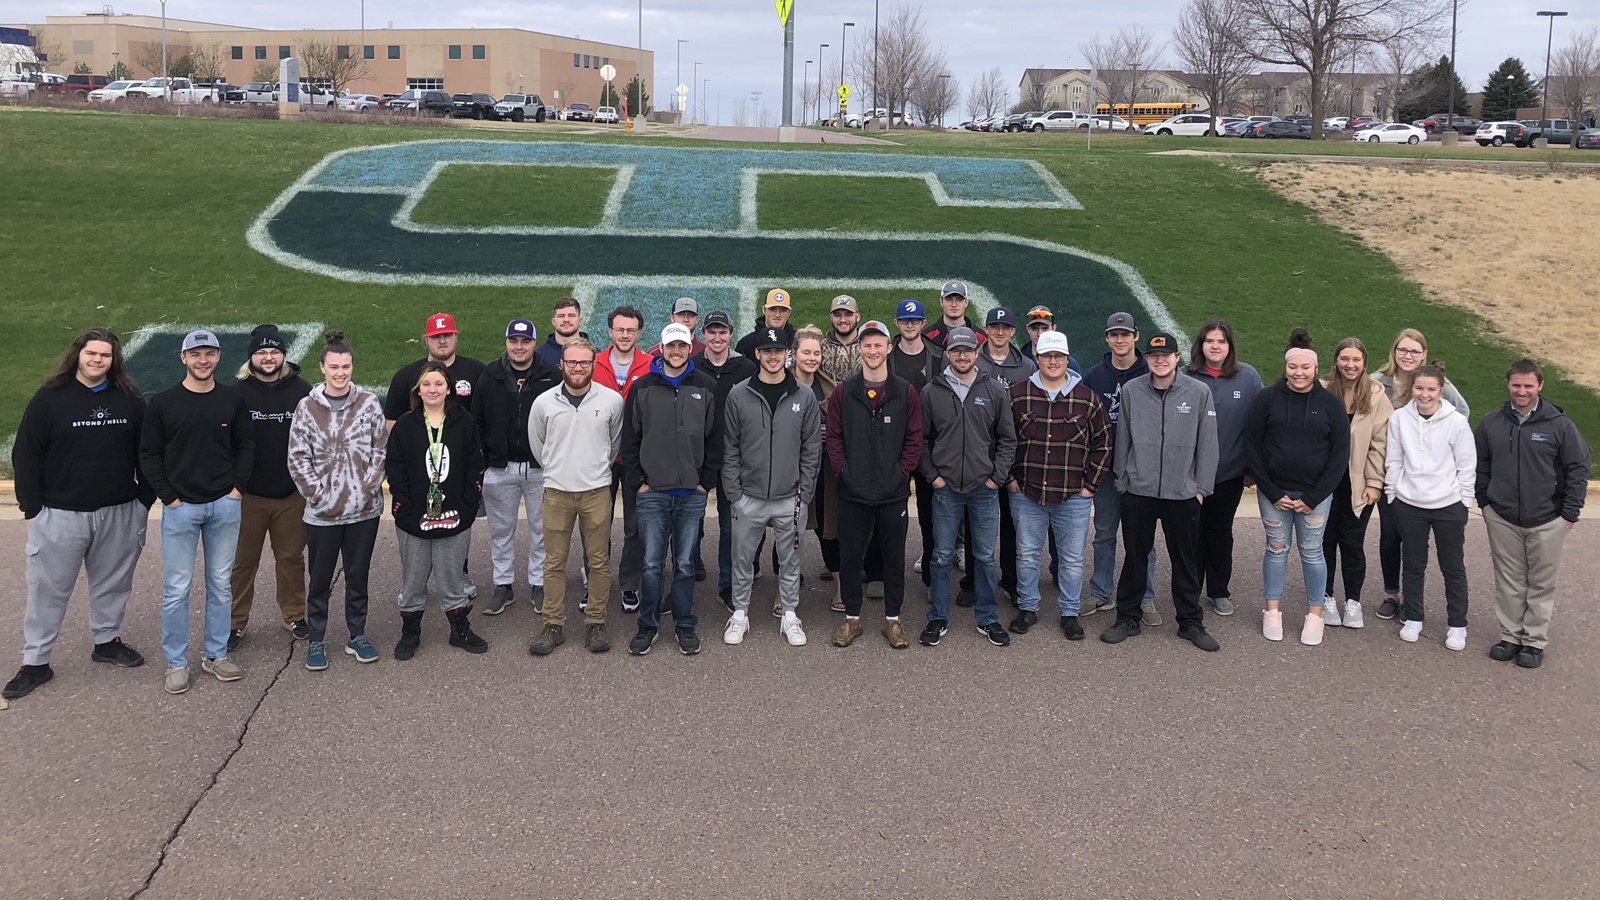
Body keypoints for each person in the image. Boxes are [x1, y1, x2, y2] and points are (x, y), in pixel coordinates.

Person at [3, 329, 153, 701]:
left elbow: (148, 452)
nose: (97, 360)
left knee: (113, 582)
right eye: (91, 353)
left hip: (119, 511)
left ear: (114, 360)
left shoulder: (130, 400)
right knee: (47, 589)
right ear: (78, 355)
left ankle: (107, 641)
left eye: (105, 355)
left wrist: (143, 501)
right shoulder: (50, 399)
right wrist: (32, 508)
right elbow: (26, 454)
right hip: (61, 513)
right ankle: (36, 661)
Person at [141, 330, 255, 694]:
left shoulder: (231, 400)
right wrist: (169, 498)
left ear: (219, 357)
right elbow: (149, 454)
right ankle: (176, 662)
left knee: (221, 585)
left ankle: (216, 654)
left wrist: (237, 490)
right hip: (181, 509)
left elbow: (245, 445)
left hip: (225, 504)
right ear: (183, 358)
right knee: (177, 588)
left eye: (209, 354)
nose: (202, 360)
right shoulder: (163, 403)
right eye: (195, 354)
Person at [1098, 332, 1220, 652]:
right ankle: (1128, 617)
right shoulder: (1132, 391)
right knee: (1135, 557)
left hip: (1183, 493)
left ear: (1177, 358)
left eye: (1166, 355)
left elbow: (1208, 444)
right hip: (1139, 490)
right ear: (1146, 359)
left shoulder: (1198, 392)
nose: (1160, 360)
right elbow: (1122, 438)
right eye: (1154, 356)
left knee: (1185, 560)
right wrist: (1124, 480)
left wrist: (1200, 488)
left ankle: (1190, 621)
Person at [1475, 360, 1589, 668]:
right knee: (1509, 581)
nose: (1522, 391)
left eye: (1528, 385)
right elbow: (1480, 465)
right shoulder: (1491, 423)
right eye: (1516, 385)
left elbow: (1578, 468)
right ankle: (1510, 636)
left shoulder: (1559, 425)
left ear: (1540, 386)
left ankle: (1534, 641)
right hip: (1502, 516)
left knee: (1540, 583)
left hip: (1548, 519)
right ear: (1508, 384)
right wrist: (1485, 503)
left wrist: (1569, 514)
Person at [286, 331, 388, 671]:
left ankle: (356, 634)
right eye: (334, 367)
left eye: (345, 366)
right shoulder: (306, 408)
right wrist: (318, 495)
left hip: (364, 511)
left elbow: (380, 450)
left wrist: (366, 490)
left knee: (357, 576)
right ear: (322, 368)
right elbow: (297, 458)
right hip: (322, 515)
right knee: (319, 578)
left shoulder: (369, 403)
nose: (340, 372)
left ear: (352, 367)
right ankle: (316, 639)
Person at [1244, 329, 1350, 646]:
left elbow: (1339, 455)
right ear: (1285, 367)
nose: (1299, 373)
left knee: (1312, 553)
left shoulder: (1331, 404)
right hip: (1273, 494)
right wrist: (1272, 491)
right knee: (1276, 550)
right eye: (1293, 367)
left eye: (1305, 367)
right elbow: (1252, 445)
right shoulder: (1266, 399)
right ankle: (1272, 612)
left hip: (1315, 497)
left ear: (1315, 368)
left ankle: (1314, 615)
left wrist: (1315, 496)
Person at [1006, 330, 1111, 642]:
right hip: (1027, 492)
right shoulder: (1017, 395)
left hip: (1073, 496)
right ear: (1037, 358)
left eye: (1059, 356)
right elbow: (1002, 440)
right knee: (1026, 554)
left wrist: (1090, 487)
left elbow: (1103, 446)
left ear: (1067, 359)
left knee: (1071, 558)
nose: (1053, 361)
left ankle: (1069, 612)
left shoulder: (1087, 398)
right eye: (1047, 356)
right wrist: (1010, 481)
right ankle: (1027, 607)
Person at [722, 325, 822, 647]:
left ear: (786, 354)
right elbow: (730, 448)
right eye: (767, 351)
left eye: (778, 351)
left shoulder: (803, 396)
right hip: (748, 498)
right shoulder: (739, 394)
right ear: (758, 354)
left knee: (791, 559)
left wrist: (803, 494)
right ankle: (740, 613)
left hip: (789, 499)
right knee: (742, 560)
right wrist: (735, 496)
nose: (773, 356)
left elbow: (811, 448)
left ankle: (790, 615)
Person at [622, 323, 720, 656]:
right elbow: (630, 440)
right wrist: (639, 483)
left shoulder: (705, 386)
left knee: (685, 564)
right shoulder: (643, 387)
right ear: (660, 349)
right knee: (651, 564)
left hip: (691, 494)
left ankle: (684, 623)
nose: (676, 352)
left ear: (689, 348)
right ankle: (647, 625)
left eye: (682, 346)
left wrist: (705, 481)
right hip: (653, 494)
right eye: (670, 347)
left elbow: (715, 439)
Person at [827, 320, 924, 649]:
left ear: (888, 348)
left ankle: (892, 621)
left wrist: (902, 473)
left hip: (892, 492)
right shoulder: (844, 391)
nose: (872, 350)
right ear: (860, 349)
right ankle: (851, 618)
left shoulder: (904, 391)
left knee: (894, 559)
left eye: (878, 344)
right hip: (852, 492)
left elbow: (914, 438)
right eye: (866, 345)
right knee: (851, 557)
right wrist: (843, 472)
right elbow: (834, 438)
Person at [918, 326, 1017, 647]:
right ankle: (938, 616)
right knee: (942, 556)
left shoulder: (993, 389)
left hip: (983, 489)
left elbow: (1007, 439)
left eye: (968, 350)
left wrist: (995, 478)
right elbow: (921, 440)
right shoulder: (932, 391)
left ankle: (987, 618)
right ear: (948, 353)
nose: (962, 356)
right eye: (956, 351)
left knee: (985, 557)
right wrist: (933, 476)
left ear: (977, 353)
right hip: (945, 488)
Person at [528, 339, 626, 656]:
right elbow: (538, 445)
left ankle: (595, 623)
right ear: (562, 365)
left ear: (593, 365)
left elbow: (613, 445)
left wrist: (593, 469)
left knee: (598, 562)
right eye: (572, 362)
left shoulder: (611, 401)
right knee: (554, 563)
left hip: (596, 491)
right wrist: (559, 469)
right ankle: (553, 624)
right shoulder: (544, 403)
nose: (578, 368)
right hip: (557, 492)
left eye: (584, 363)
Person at [385, 362, 488, 659]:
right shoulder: (406, 424)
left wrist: (469, 504)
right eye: (426, 384)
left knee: (452, 576)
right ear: (418, 389)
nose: (432, 389)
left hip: (454, 513)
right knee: (414, 578)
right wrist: (403, 504)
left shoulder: (464, 421)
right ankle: (410, 632)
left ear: (448, 388)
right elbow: (395, 466)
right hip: (413, 516)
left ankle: (459, 630)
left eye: (438, 384)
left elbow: (474, 464)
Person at [385, 312, 486, 600]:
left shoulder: (476, 371)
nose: (442, 340)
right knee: (417, 532)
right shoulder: (406, 375)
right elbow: (393, 426)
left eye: (447, 335)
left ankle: (460, 572)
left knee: (455, 524)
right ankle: (415, 590)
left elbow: (482, 421)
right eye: (436, 336)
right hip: (420, 473)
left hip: (457, 470)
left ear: (456, 337)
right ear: (426, 339)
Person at [1370, 328, 1468, 619]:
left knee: (1419, 545)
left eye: (1414, 351)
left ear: (1423, 354)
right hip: (1389, 470)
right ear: (1394, 351)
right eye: (1402, 350)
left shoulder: (1438, 384)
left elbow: (1461, 413)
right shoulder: (1378, 382)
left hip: (1426, 477)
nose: (1407, 356)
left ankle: (1413, 602)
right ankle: (1392, 594)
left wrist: (1435, 449)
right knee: (1390, 536)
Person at [228, 324, 313, 651]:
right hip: (247, 494)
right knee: (242, 562)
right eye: (261, 352)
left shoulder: (302, 391)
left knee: (291, 557)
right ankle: (235, 623)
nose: (268, 357)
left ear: (283, 355)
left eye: (274, 352)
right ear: (251, 357)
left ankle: (294, 615)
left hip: (291, 494)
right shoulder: (236, 393)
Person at [472, 319, 561, 616]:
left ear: (534, 343)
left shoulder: (551, 375)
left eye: (524, 341)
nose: (519, 347)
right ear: (506, 342)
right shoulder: (490, 375)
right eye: (514, 341)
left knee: (541, 529)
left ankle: (538, 584)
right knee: (500, 530)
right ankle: (504, 585)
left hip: (540, 467)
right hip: (501, 467)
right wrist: (486, 459)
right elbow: (478, 422)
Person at [1384, 363, 1476, 650]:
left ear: (1441, 390)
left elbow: (1467, 465)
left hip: (1449, 506)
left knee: (1453, 567)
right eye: (1419, 388)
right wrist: (1392, 494)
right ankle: (1413, 617)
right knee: (1413, 565)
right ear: (1412, 388)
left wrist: (1464, 501)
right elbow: (1394, 460)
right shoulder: (1399, 419)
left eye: (1431, 389)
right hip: (1409, 504)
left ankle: (1457, 625)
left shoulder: (1456, 422)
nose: (1424, 394)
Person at [1186, 319, 1263, 618]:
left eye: (1221, 341)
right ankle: (1190, 591)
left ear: (1229, 346)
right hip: (1190, 475)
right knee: (1192, 534)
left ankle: (1219, 591)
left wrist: (1251, 468)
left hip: (1229, 473)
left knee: (1220, 533)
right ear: (1200, 345)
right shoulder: (1186, 377)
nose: (1215, 346)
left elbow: (1257, 426)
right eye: (1209, 341)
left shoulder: (1248, 377)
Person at [1083, 312, 1157, 622]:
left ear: (1136, 337)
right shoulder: (1094, 376)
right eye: (1114, 334)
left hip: (1141, 470)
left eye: (1125, 334)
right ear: (1107, 338)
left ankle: (1146, 597)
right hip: (1105, 468)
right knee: (1103, 533)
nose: (1120, 339)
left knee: (1143, 539)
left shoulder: (1151, 373)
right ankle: (1101, 593)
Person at [1320, 337, 1393, 630]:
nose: (1350, 365)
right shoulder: (1322, 390)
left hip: (1358, 484)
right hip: (1324, 483)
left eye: (1356, 360)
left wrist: (1375, 483)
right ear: (1336, 360)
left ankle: (1353, 601)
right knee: (1323, 543)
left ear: (1364, 363)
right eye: (1345, 359)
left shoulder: (1376, 395)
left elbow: (1380, 444)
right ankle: (1325, 598)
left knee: (1352, 543)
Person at [691, 311, 759, 603]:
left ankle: (728, 585)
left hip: (734, 458)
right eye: (711, 332)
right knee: (690, 523)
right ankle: (687, 579)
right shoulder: (693, 366)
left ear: (731, 333)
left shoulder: (746, 367)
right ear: (704, 334)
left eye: (722, 332)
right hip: (698, 457)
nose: (717, 338)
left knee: (732, 525)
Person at [594, 305, 654, 612]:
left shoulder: (651, 365)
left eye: (631, 330)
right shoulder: (593, 363)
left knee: (635, 525)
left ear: (639, 333)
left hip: (635, 458)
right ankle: (597, 584)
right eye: (620, 329)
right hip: (598, 459)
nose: (625, 335)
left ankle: (629, 584)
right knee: (597, 525)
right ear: (610, 332)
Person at [977, 306, 1036, 603]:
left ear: (1013, 332)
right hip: (979, 457)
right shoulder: (973, 359)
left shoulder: (1027, 366)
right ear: (986, 329)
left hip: (1016, 459)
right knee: (978, 523)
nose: (999, 332)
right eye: (994, 326)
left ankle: (1011, 580)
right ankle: (974, 582)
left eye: (1005, 327)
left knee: (1014, 525)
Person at [891, 299, 945, 585]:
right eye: (904, 321)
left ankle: (930, 576)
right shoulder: (887, 356)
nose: (909, 325)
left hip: (928, 446)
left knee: (929, 516)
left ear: (924, 324)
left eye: (915, 321)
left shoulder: (938, 357)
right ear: (897, 323)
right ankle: (885, 574)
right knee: (890, 514)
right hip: (893, 446)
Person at [792, 327, 843, 613]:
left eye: (816, 353)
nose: (812, 358)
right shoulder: (781, 385)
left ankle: (839, 588)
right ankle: (781, 591)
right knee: (790, 529)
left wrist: (830, 433)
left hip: (825, 468)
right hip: (790, 467)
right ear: (794, 354)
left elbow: (844, 427)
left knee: (829, 527)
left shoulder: (830, 390)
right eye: (806, 352)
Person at [921, 280, 987, 348]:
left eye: (959, 299)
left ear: (966, 302)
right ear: (941, 302)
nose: (954, 304)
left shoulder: (983, 339)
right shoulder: (926, 337)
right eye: (949, 299)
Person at [735, 288, 795, 358]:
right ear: (764, 310)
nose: (777, 315)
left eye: (783, 310)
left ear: (789, 312)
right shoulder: (746, 344)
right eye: (772, 309)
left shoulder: (798, 342)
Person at [819, 294, 864, 388]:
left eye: (848, 314)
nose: (843, 320)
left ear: (857, 317)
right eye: (837, 315)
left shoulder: (867, 346)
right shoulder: (820, 348)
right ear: (831, 317)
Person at [536, 297, 589, 368]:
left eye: (571, 316)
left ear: (579, 320)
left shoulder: (596, 354)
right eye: (561, 316)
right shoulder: (538, 356)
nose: (566, 320)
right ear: (553, 321)